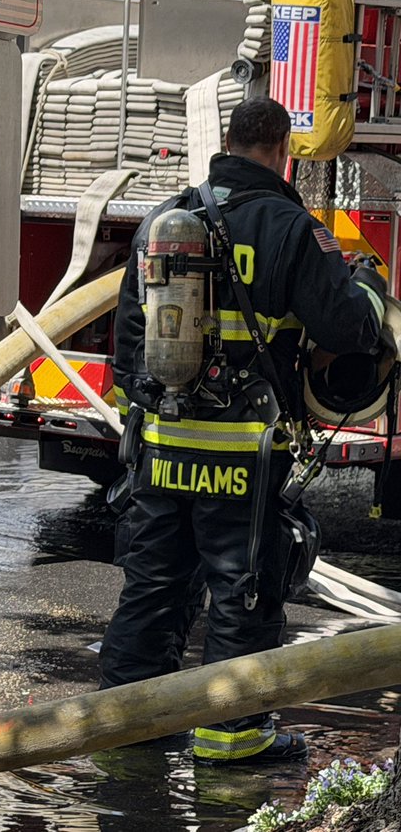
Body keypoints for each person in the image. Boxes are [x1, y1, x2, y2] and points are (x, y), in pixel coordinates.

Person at [101, 96, 386, 765]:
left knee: (153, 587)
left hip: (163, 453)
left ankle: (121, 729)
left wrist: (156, 417)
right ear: (282, 149)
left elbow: (128, 346)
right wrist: (367, 287)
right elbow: (351, 328)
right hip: (243, 455)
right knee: (242, 587)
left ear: (225, 140)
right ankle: (231, 742)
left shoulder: (166, 221)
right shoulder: (290, 227)